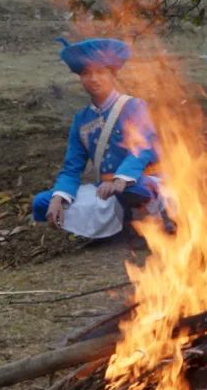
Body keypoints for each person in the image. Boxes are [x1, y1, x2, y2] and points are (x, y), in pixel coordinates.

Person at [32, 37, 161, 239]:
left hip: (139, 180)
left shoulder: (134, 106)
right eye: (86, 73)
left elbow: (143, 147)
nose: (93, 78)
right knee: (42, 203)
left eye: (100, 72)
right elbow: (72, 168)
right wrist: (59, 196)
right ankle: (118, 225)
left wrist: (121, 179)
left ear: (113, 75)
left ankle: (148, 222)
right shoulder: (81, 119)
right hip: (104, 189)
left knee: (133, 190)